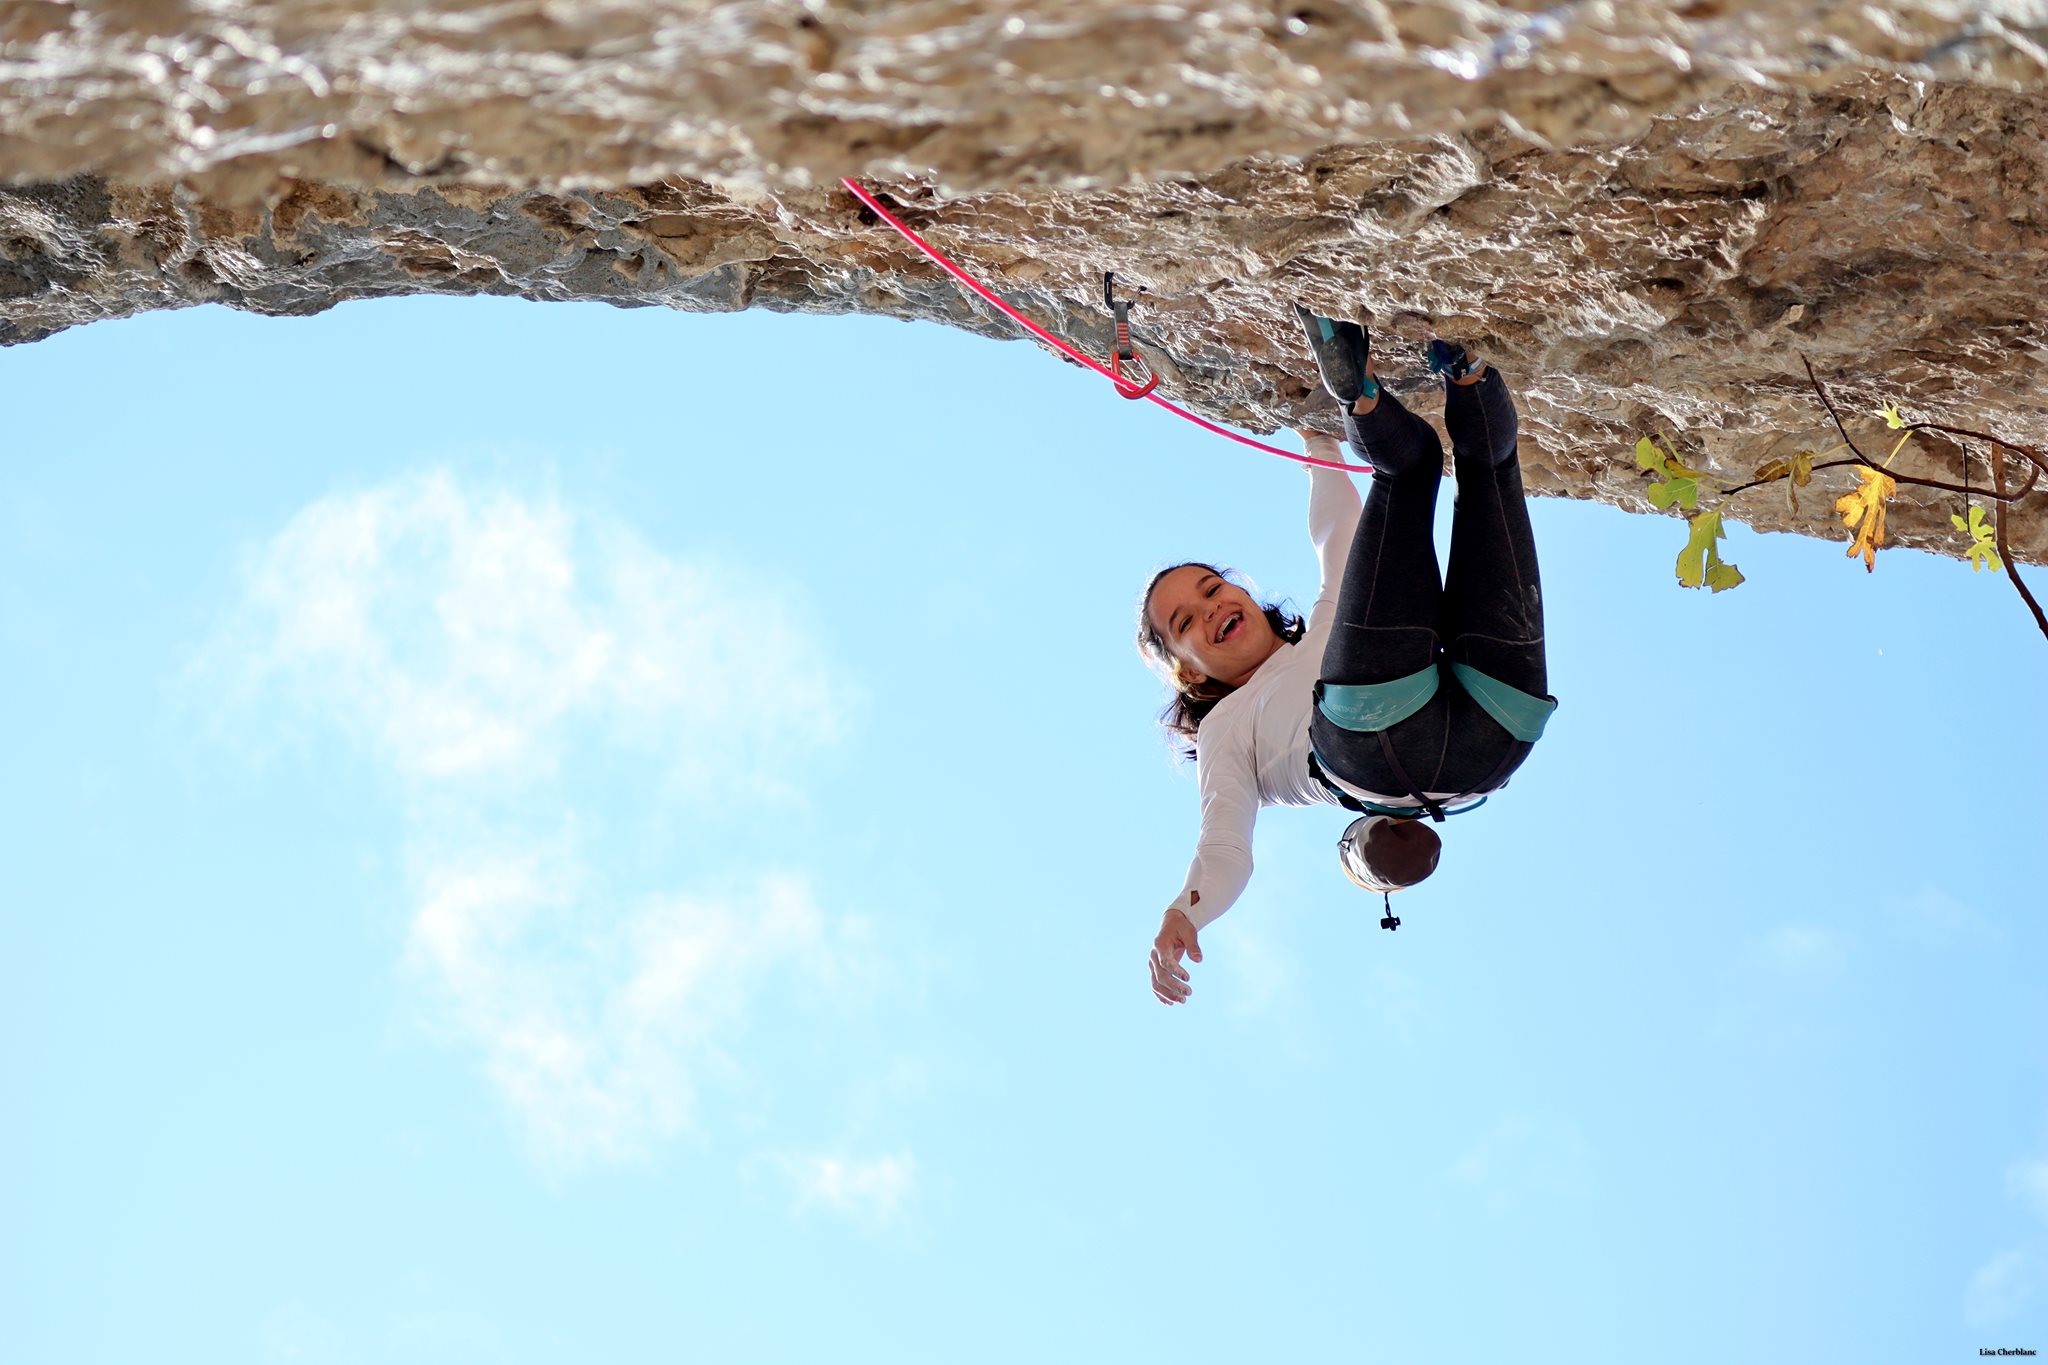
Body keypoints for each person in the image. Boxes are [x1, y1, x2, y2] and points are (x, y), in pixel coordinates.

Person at [1135, 306, 1557, 1005]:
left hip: (1487, 741)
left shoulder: (1335, 617)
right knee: (1468, 475)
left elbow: (1340, 529)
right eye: (1187, 618)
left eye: (1213, 587)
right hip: (1438, 732)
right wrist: (1187, 908)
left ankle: (1451, 373)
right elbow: (1226, 845)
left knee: (1436, 467)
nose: (1212, 605)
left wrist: (1319, 444)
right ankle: (1409, 389)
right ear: (1184, 669)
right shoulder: (1224, 730)